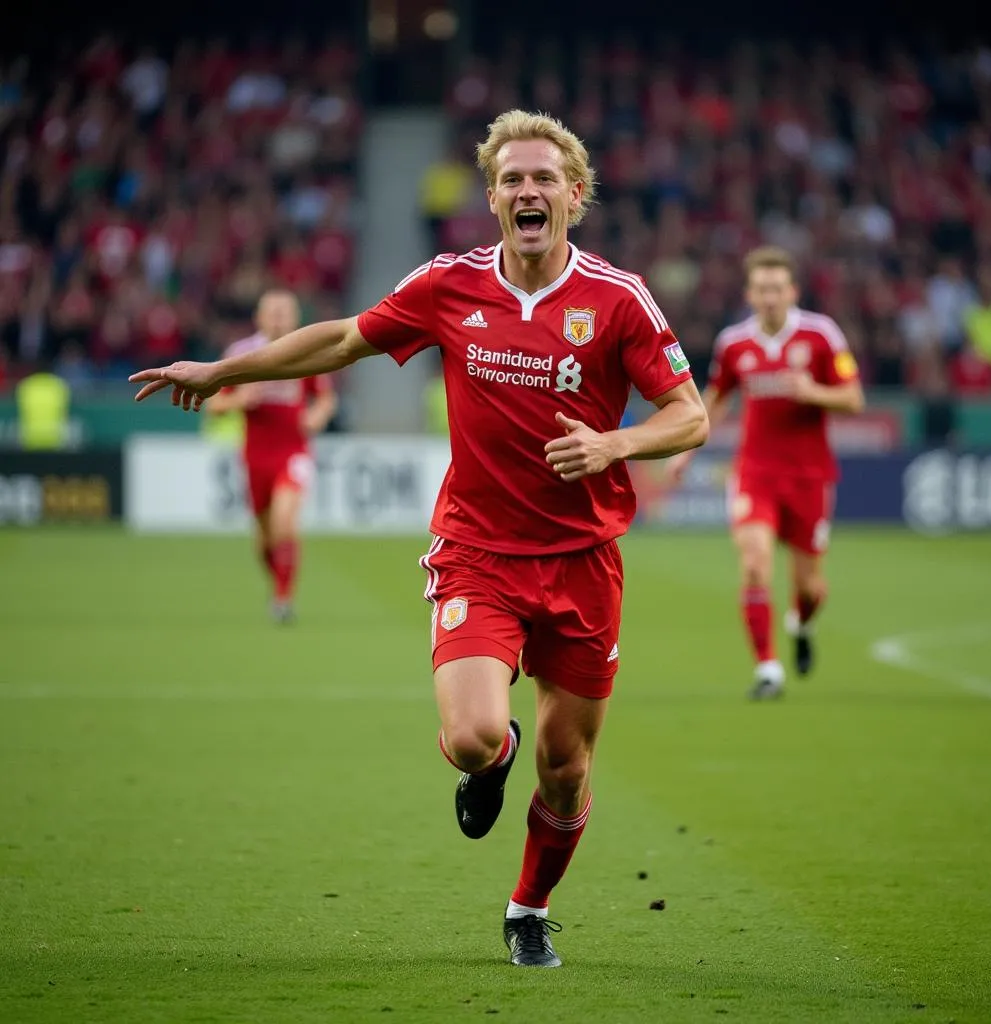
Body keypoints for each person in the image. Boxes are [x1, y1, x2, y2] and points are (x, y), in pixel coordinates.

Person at [130, 110, 709, 967]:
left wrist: (614, 444)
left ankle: (527, 908)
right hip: (478, 550)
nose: (528, 190)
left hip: (585, 562)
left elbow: (690, 416)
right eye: (512, 178)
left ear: (574, 196)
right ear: (491, 196)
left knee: (568, 769)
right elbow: (342, 339)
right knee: (475, 738)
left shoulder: (617, 300)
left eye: (544, 178)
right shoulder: (449, 284)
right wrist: (223, 370)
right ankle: (493, 756)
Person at [667, 247, 864, 700]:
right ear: (750, 294)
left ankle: (801, 622)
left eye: (778, 288)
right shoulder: (734, 343)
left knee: (811, 587)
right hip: (755, 471)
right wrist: (686, 449)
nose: (770, 297)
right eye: (762, 289)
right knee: (755, 565)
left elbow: (854, 399)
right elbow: (715, 398)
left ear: (792, 291)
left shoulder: (821, 336)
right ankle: (768, 669)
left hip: (809, 475)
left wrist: (813, 390)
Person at [202, 290, 337, 623]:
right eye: (272, 312)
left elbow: (325, 398)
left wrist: (316, 417)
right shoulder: (241, 354)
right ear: (259, 318)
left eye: (284, 312)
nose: (278, 318)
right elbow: (214, 405)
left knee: (284, 522)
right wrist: (239, 401)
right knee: (264, 539)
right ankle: (278, 582)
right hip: (255, 456)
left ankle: (283, 598)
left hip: (293, 451)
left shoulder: (307, 351)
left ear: (295, 318)